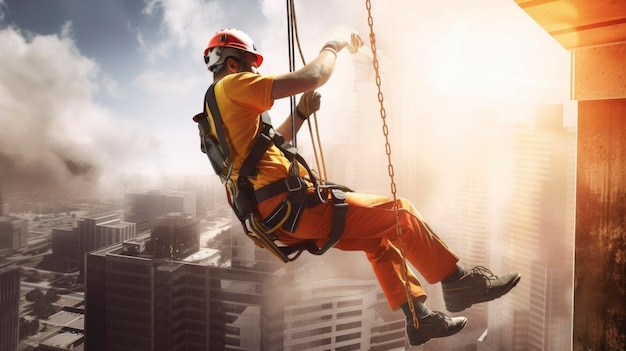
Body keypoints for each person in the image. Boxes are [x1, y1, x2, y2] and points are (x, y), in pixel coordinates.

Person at [195, 28, 521, 346]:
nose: (255, 72)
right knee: (401, 213)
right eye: (252, 64)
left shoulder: (216, 113)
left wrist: (300, 113)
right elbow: (312, 77)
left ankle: (418, 318)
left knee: (377, 241)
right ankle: (456, 281)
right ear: (234, 63)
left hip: (279, 221)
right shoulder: (233, 86)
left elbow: (268, 146)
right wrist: (333, 45)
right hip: (295, 207)